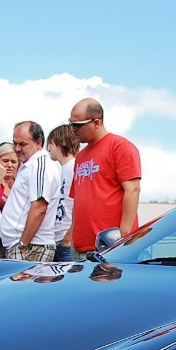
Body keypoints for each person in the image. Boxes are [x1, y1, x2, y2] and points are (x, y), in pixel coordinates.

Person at [64, 98, 141, 259]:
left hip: (108, 248)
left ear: (96, 122)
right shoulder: (81, 156)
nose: (72, 130)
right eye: (70, 124)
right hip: (79, 249)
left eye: (77, 125)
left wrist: (124, 236)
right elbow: (77, 200)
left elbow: (133, 190)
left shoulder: (119, 146)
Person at [0, 121, 62, 261]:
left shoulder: (40, 164)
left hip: (32, 246)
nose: (17, 148)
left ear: (38, 143)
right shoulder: (30, 165)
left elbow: (39, 207)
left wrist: (23, 244)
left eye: (22, 144)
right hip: (25, 245)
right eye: (14, 143)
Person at [46, 124, 80, 262]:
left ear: (60, 142)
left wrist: (69, 237)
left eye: (50, 143)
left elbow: (80, 204)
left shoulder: (74, 167)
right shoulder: (63, 170)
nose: (48, 148)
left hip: (66, 241)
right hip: (58, 239)